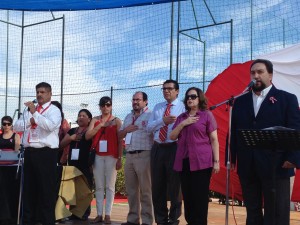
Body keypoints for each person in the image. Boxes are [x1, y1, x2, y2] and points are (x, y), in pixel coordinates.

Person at [230, 59, 300, 225]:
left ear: (270, 74)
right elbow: (234, 131)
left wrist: (293, 158)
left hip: (278, 164)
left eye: (260, 72)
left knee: (277, 213)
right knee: (252, 212)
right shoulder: (240, 101)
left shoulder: (287, 99)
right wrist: (232, 157)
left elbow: (296, 130)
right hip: (248, 164)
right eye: (253, 72)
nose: (256, 76)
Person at [170, 87, 220, 225]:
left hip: (202, 162)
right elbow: (172, 136)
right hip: (184, 162)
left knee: (200, 196)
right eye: (188, 97)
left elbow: (214, 139)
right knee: (188, 196)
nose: (190, 99)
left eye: (193, 96)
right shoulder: (181, 117)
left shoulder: (206, 115)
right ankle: (191, 222)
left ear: (200, 99)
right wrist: (183, 124)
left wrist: (216, 161)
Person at [14, 82, 62, 225]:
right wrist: (31, 119)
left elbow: (50, 126)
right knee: (29, 190)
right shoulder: (28, 111)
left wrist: (35, 113)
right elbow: (17, 126)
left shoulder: (54, 110)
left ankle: (47, 221)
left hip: (46, 154)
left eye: (42, 92)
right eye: (37, 92)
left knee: (46, 191)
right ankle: (29, 220)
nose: (39, 95)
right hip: (29, 153)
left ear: (49, 94)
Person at [147, 79, 185, 225]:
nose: (166, 91)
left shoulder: (182, 107)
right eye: (164, 89)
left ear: (177, 91)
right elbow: (148, 128)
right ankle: (161, 220)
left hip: (174, 147)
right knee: (157, 186)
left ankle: (173, 219)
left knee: (175, 186)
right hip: (157, 148)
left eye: (169, 88)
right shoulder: (157, 107)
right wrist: (162, 121)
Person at [86, 96, 122, 224]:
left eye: (108, 105)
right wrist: (99, 125)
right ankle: (99, 214)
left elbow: (120, 140)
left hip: (112, 156)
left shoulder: (117, 121)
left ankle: (108, 214)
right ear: (99, 106)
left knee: (110, 186)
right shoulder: (95, 120)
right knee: (99, 186)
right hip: (98, 156)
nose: (105, 107)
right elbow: (87, 136)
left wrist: (119, 158)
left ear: (111, 106)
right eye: (103, 105)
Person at [118, 91, 154, 225]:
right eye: (133, 100)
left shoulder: (151, 115)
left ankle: (147, 221)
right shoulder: (128, 116)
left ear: (146, 101)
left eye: (138, 100)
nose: (135, 102)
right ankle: (132, 220)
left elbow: (155, 133)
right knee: (132, 191)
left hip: (145, 154)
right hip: (130, 156)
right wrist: (126, 129)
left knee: (146, 190)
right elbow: (119, 135)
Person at [59, 109, 93, 220]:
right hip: (73, 164)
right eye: (79, 115)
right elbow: (61, 145)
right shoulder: (72, 131)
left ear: (89, 119)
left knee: (85, 190)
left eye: (84, 115)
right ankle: (74, 213)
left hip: (86, 164)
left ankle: (84, 213)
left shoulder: (90, 131)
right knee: (74, 190)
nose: (81, 117)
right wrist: (70, 138)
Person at [0, 116, 21, 225]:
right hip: (2, 168)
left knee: (12, 190)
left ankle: (13, 215)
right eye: (4, 124)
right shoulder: (0, 136)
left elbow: (17, 150)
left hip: (13, 167)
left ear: (12, 124)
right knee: (2, 191)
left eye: (8, 124)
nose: (6, 126)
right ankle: (4, 215)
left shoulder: (15, 136)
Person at [51, 100, 70, 165]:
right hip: (46, 152)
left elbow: (68, 140)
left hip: (59, 153)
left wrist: (64, 155)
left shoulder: (64, 122)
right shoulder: (44, 121)